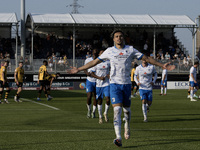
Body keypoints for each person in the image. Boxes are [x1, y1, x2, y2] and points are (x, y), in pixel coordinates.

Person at [68, 29, 175, 147]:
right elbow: (94, 62)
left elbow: (146, 58)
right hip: (114, 84)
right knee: (117, 110)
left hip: (127, 84)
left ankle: (127, 126)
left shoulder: (130, 50)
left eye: (121, 36)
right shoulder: (109, 51)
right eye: (116, 36)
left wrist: (161, 65)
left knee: (126, 111)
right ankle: (118, 137)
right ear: (113, 39)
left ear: (124, 38)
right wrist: (79, 69)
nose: (119, 38)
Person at [91, 50, 110, 124]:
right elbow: (92, 73)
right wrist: (99, 78)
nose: (102, 54)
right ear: (99, 54)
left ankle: (105, 113)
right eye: (101, 53)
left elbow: (111, 70)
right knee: (100, 100)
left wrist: (109, 75)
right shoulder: (96, 63)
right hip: (99, 84)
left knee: (108, 99)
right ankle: (100, 117)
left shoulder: (108, 62)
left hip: (106, 84)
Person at [84, 49, 99, 118]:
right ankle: (89, 110)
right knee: (89, 96)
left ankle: (93, 112)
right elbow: (84, 68)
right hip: (89, 80)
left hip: (97, 81)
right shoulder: (88, 60)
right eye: (93, 53)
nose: (94, 55)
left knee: (95, 97)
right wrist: (86, 73)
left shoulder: (100, 60)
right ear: (92, 53)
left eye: (96, 54)